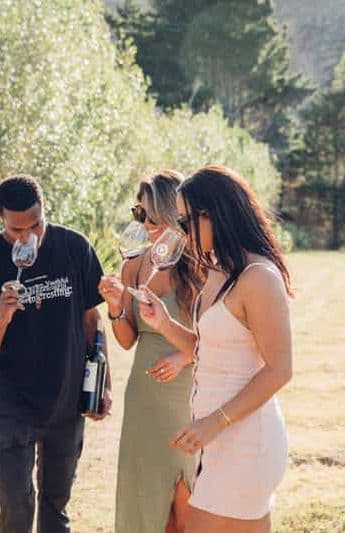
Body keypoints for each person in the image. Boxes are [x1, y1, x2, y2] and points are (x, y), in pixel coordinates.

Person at [139, 164, 293, 533]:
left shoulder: (258, 278)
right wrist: (164, 323)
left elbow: (280, 370)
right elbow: (209, 350)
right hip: (216, 440)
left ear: (216, 215)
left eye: (186, 221)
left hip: (245, 439)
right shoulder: (219, 270)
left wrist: (214, 423)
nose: (182, 231)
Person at [0, 175, 111, 533]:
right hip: (14, 408)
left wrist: (101, 383)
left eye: (35, 225)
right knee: (16, 506)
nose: (27, 237)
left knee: (56, 508)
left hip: (67, 402)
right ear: (0, 217)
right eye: (16, 230)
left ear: (45, 210)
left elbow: (91, 319)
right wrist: (2, 318)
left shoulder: (74, 247)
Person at [98, 171, 202, 533]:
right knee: (148, 500)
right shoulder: (134, 264)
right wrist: (115, 307)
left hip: (188, 393)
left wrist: (185, 356)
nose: (145, 224)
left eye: (151, 215)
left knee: (187, 505)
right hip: (144, 397)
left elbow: (222, 335)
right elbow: (127, 339)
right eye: (139, 214)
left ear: (172, 213)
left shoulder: (201, 264)